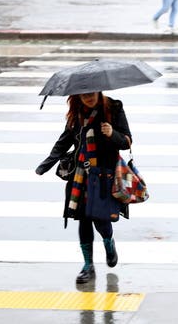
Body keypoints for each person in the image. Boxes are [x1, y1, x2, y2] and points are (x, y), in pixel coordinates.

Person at [35, 91, 132, 284]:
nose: (88, 97)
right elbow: (64, 141)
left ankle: (109, 243)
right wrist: (46, 164)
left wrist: (112, 134)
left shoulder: (113, 108)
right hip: (80, 175)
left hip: (104, 175)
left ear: (98, 91)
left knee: (101, 219)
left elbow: (127, 141)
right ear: (77, 96)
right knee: (83, 219)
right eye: (83, 95)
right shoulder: (77, 114)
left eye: (91, 93)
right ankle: (88, 266)